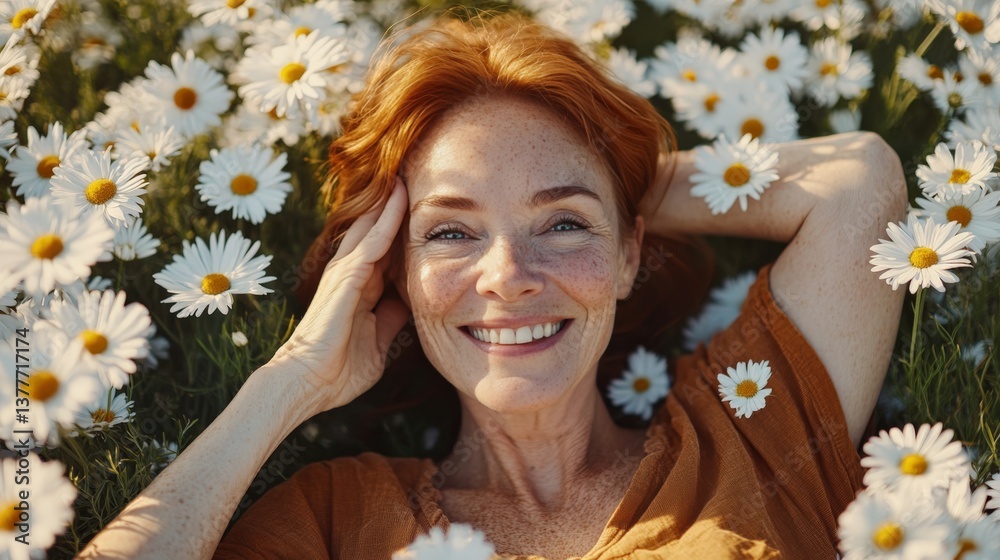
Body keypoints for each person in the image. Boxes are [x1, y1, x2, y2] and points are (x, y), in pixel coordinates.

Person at [79, 10, 907, 560]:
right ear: (389, 271)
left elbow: (860, 186)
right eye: (451, 232)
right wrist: (289, 383)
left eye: (562, 225)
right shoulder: (336, 522)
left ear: (629, 255)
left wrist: (617, 179)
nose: (509, 276)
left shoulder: (750, 432)